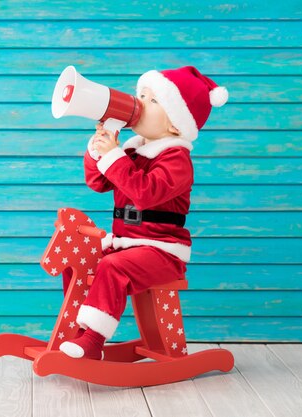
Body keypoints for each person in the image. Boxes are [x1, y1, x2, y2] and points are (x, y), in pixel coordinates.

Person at [59, 66, 229, 360]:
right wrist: (98, 150)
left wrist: (114, 156)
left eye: (151, 100)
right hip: (126, 244)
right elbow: (98, 182)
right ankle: (78, 331)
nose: (138, 104)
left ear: (175, 124)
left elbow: (145, 193)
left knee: (113, 267)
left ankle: (94, 341)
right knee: (78, 260)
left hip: (162, 252)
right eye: (140, 95)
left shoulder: (177, 159)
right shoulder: (132, 152)